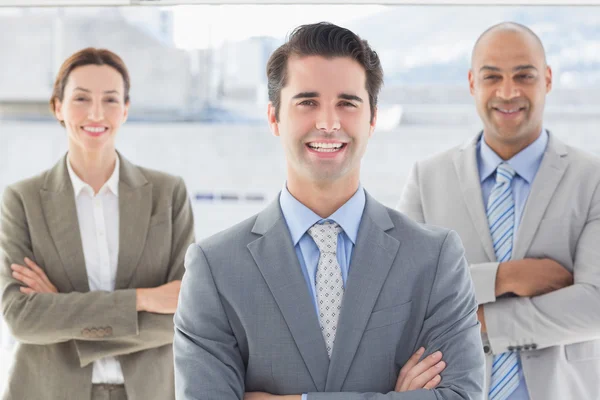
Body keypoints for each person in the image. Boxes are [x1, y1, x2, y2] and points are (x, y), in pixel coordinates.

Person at [174, 22, 484, 400]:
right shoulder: (215, 268)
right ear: (274, 118)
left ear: (372, 119)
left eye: (347, 103)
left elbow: (461, 397)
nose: (328, 122)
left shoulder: (434, 258)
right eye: (307, 102)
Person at [397, 22, 600, 400]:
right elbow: (401, 297)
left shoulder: (592, 179)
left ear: (548, 80)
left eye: (524, 75)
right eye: (493, 77)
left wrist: (476, 320)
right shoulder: (428, 178)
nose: (508, 92)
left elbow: (595, 306)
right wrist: (503, 277)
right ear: (473, 83)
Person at [0, 48, 195, 400]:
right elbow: (21, 318)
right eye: (81, 98)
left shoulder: (168, 195)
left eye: (110, 99)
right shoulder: (22, 200)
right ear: (57, 106)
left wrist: (60, 309)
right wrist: (144, 299)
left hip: (149, 391)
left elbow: (185, 314)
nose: (95, 113)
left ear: (125, 109)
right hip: (46, 391)